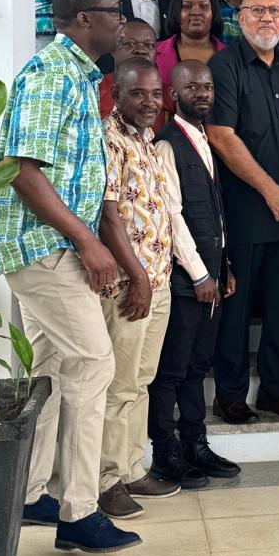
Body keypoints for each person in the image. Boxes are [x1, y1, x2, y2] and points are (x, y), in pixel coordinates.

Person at [0, 0, 139, 553]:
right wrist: (89, 243)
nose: (121, 21)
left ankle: (32, 494)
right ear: (82, 19)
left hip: (57, 244)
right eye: (113, 11)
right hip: (42, 247)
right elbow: (25, 171)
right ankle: (79, 513)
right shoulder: (50, 75)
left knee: (51, 372)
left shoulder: (78, 77)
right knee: (94, 364)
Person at [207, 0, 279, 423]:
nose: (267, 18)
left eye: (274, 11)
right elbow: (222, 136)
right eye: (257, 11)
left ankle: (275, 390)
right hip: (248, 211)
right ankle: (230, 393)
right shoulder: (225, 66)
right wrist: (270, 190)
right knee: (237, 306)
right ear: (240, 18)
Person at [149, 61, 241, 483]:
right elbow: (172, 216)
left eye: (207, 87)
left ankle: (195, 445)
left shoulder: (203, 137)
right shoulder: (167, 143)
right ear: (174, 95)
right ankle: (165, 453)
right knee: (171, 371)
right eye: (192, 87)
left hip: (212, 277)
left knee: (196, 368)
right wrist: (201, 275)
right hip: (188, 281)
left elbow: (216, 212)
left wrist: (225, 268)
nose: (202, 93)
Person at [97, 59, 176, 518]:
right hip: (131, 286)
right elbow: (109, 216)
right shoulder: (109, 140)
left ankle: (131, 468)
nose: (149, 102)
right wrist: (140, 279)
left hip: (158, 281)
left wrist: (156, 277)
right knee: (118, 385)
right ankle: (106, 481)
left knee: (141, 382)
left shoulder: (146, 139)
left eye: (154, 93)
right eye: (138, 95)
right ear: (118, 95)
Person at [99, 19, 174, 134]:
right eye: (130, 44)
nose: (141, 50)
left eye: (149, 45)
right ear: (113, 48)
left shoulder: (168, 95)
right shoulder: (94, 89)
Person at [155, 0, 225, 90]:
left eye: (204, 6)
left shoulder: (231, 56)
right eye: (187, 6)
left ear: (213, 12)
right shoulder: (155, 53)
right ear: (176, 12)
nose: (196, 12)